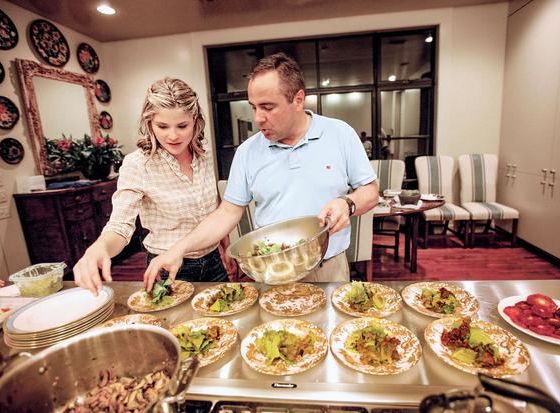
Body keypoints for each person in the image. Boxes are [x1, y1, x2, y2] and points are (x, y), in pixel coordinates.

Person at [144, 53, 378, 290]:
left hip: (328, 267)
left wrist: (347, 203)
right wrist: (179, 249)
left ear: (298, 100)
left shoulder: (340, 134)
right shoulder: (247, 151)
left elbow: (370, 192)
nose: (257, 118)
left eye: (268, 107)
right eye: (254, 107)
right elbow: (227, 213)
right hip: (271, 272)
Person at [74, 77, 233, 294]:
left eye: (182, 126)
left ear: (195, 122)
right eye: (162, 126)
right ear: (149, 123)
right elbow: (120, 226)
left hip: (214, 261)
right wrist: (100, 247)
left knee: (222, 323)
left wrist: (225, 246)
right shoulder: (138, 164)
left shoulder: (203, 154)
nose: (173, 135)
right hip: (168, 269)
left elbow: (214, 210)